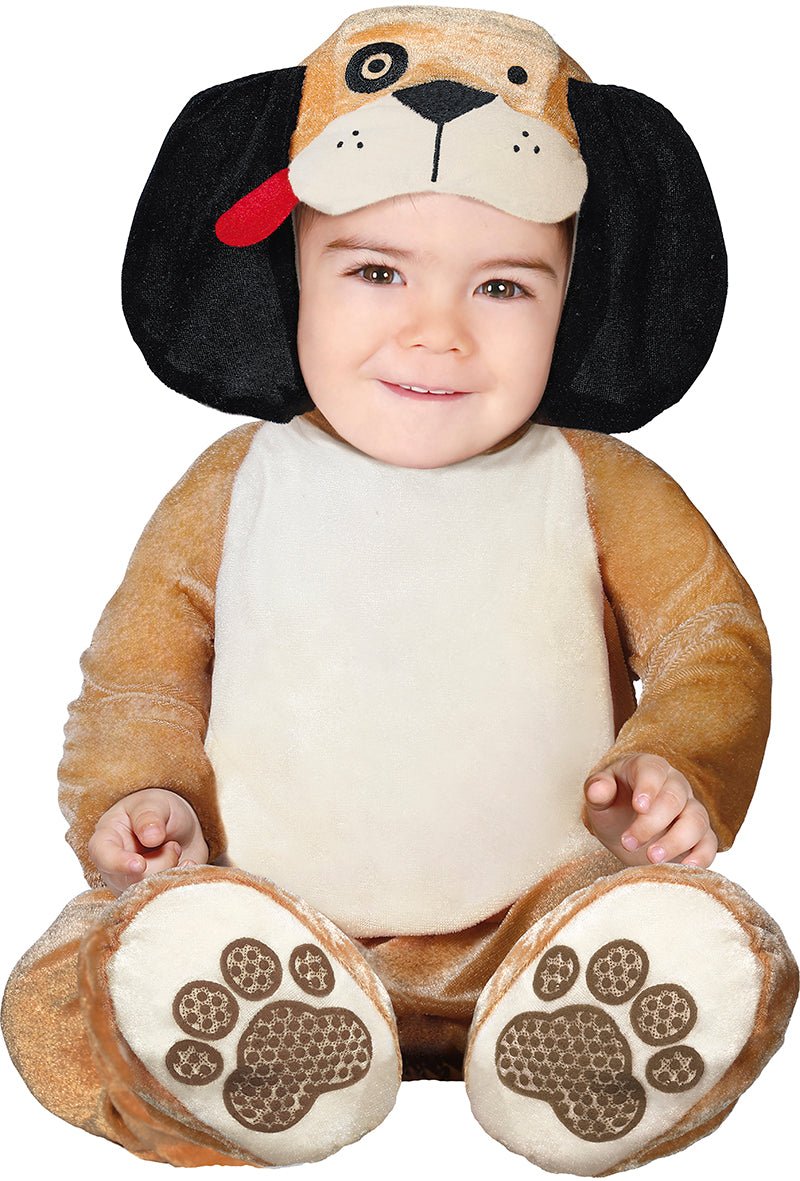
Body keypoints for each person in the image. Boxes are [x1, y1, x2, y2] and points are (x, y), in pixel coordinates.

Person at [2, 6, 796, 1175]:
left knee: (710, 943)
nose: (436, 335)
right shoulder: (234, 482)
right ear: (290, 267)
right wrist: (141, 792)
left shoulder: (597, 482)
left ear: (575, 291)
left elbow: (708, 636)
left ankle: (579, 1012)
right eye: (376, 271)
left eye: (503, 287)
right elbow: (139, 673)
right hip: (264, 903)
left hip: (538, 914)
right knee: (76, 977)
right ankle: (249, 1008)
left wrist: (678, 759)